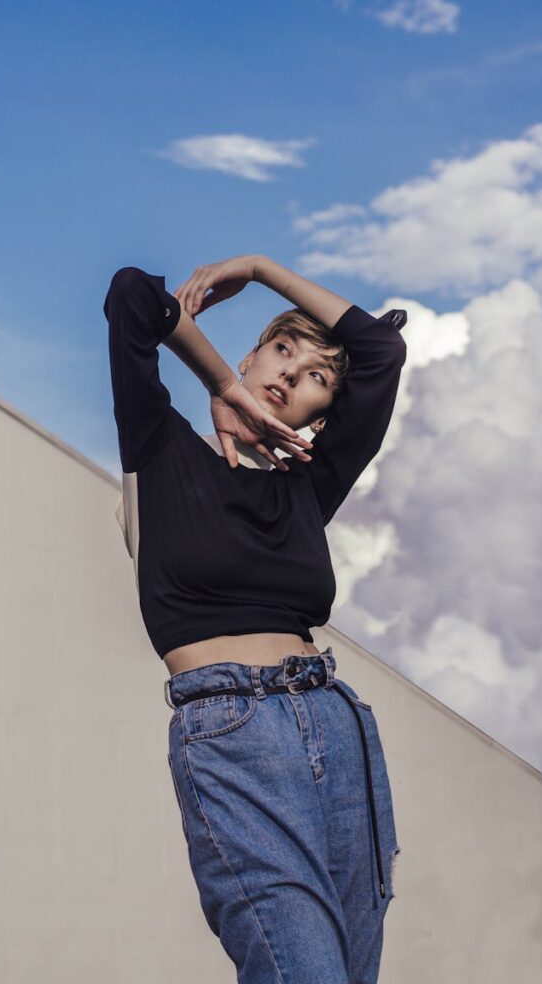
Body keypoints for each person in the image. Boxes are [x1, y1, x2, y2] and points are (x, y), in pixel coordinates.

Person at [103, 254, 407, 984]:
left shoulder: (311, 485)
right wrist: (220, 384)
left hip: (334, 723)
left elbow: (382, 352)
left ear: (321, 414)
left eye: (316, 377)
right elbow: (132, 296)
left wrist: (263, 268)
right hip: (231, 730)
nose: (289, 374)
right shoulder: (158, 447)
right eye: (282, 349)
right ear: (249, 355)